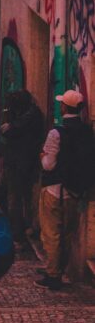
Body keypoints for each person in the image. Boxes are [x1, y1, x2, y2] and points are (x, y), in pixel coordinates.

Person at [37, 89, 95, 290]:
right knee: (67, 234)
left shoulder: (56, 133)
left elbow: (48, 165)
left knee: (51, 233)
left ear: (64, 107)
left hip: (54, 190)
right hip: (75, 192)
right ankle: (59, 268)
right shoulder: (88, 132)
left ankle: (53, 275)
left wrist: (42, 156)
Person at [0, 89, 44, 243]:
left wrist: (10, 124)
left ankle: (17, 234)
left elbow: (8, 131)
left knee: (13, 200)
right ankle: (18, 227)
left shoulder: (30, 117)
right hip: (13, 163)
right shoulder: (26, 115)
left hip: (19, 164)